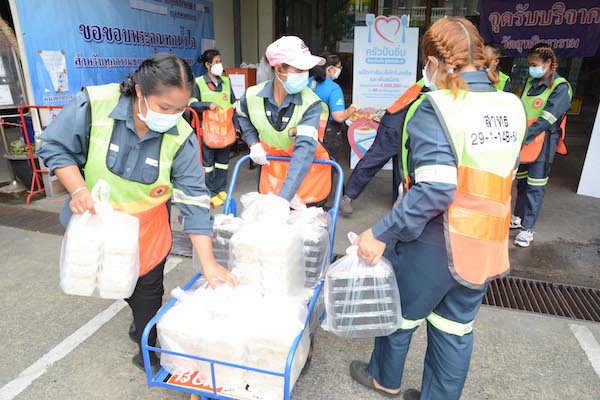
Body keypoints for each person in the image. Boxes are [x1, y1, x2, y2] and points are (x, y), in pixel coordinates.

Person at [348, 18, 527, 400]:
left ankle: (384, 379)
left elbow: (435, 190)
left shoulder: (437, 107)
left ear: (432, 61)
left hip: (435, 240)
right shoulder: (511, 104)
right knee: (455, 329)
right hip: (486, 244)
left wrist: (381, 232)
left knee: (400, 315)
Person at [37, 53, 238, 373]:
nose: (172, 117)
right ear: (140, 92)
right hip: (98, 223)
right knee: (114, 280)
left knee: (148, 291)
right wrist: (78, 189)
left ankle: (150, 352)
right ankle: (141, 321)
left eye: (180, 109)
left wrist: (209, 263)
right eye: (164, 107)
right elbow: (54, 145)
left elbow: (195, 200)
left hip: (148, 229)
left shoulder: (180, 137)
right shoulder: (94, 105)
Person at [236, 36, 331, 206]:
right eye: (300, 69)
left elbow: (304, 150)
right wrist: (253, 143)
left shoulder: (311, 104)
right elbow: (241, 115)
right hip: (271, 179)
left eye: (306, 70)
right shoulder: (252, 96)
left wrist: (283, 199)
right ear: (279, 68)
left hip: (307, 183)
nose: (306, 75)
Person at [512, 43, 572, 247]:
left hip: (543, 142)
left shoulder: (560, 87)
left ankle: (527, 229)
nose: (532, 68)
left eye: (535, 64)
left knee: (535, 185)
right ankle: (518, 216)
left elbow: (547, 118)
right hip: (524, 140)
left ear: (548, 63)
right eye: (530, 64)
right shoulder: (530, 82)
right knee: (521, 182)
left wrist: (525, 135)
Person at [339, 80, 426, 215]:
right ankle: (347, 196)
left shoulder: (426, 83)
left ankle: (398, 201)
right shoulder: (434, 86)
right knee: (373, 161)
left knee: (402, 168)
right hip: (394, 127)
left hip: (404, 127)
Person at [189, 49, 239, 207]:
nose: (220, 65)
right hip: (207, 132)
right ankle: (210, 192)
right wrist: (207, 105)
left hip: (225, 130)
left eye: (220, 61)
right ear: (207, 65)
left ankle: (220, 189)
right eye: (217, 62)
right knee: (208, 164)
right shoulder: (198, 82)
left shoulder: (226, 81)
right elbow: (191, 104)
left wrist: (237, 126)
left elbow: (233, 105)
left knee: (223, 162)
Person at [308, 52, 359, 162]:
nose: (340, 70)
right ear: (330, 69)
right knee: (327, 166)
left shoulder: (306, 82)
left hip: (306, 127)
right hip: (328, 132)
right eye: (338, 67)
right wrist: (352, 108)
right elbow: (338, 117)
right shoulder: (333, 88)